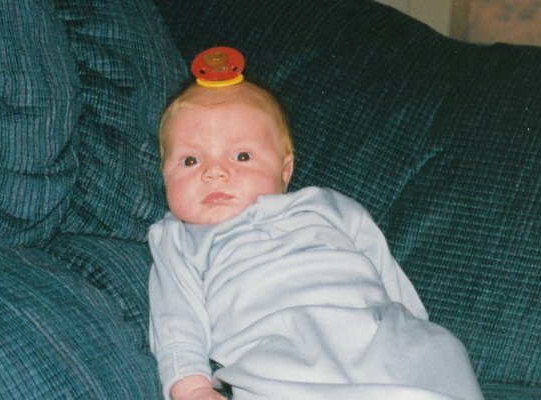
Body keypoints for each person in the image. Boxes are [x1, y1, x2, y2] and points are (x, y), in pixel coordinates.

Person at [149, 48, 483, 400]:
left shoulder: (327, 206)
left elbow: (385, 270)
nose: (214, 172)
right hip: (282, 356)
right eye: (190, 160)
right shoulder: (178, 237)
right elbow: (175, 317)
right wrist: (192, 388)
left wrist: (413, 325)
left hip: (380, 334)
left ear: (285, 170)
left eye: (242, 156)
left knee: (437, 350)